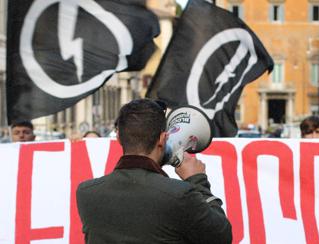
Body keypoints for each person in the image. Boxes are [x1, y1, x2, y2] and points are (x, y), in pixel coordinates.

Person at [76, 99, 232, 244]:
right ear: (163, 139)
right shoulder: (180, 195)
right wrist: (197, 180)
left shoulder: (86, 192)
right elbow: (222, 236)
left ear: (118, 137)